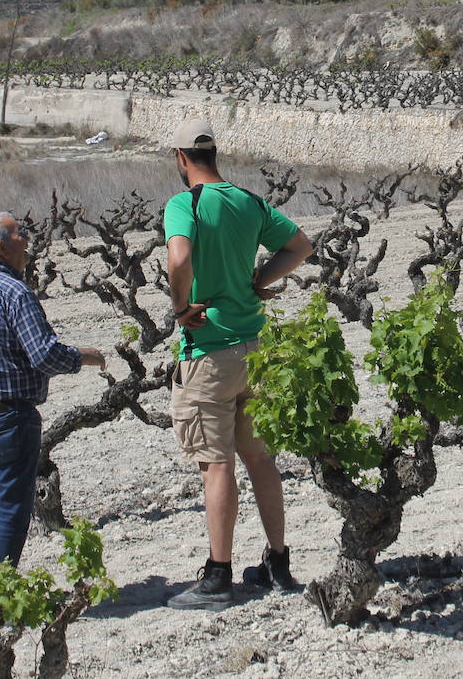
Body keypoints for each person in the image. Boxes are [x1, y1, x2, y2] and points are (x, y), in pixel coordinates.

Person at [163, 118, 314, 611]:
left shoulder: (185, 204)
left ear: (181, 158)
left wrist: (181, 306)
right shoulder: (248, 201)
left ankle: (219, 575)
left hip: (209, 353)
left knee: (216, 464)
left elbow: (179, 256)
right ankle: (277, 561)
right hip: (256, 346)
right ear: (212, 155)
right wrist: (256, 280)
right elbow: (301, 246)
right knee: (261, 458)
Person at [0, 211, 106, 625]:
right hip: (9, 413)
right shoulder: (14, 292)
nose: (28, 240)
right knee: (13, 503)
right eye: (21, 234)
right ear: (1, 245)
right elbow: (45, 354)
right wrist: (85, 357)